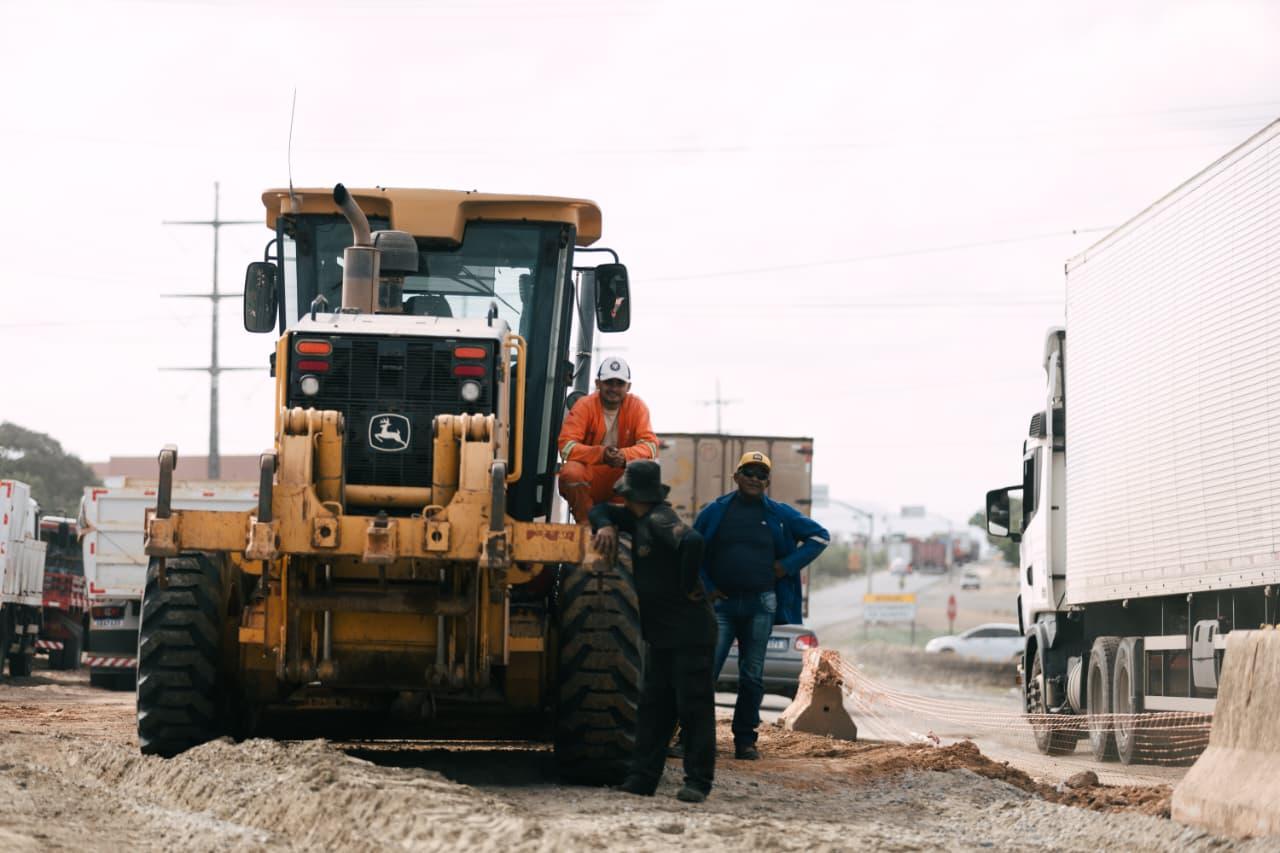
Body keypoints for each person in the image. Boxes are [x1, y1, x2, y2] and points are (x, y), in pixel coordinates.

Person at [589, 460, 716, 803]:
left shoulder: (660, 520)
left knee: (693, 708)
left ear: (632, 493)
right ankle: (643, 778)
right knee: (654, 707)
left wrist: (688, 585)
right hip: (663, 634)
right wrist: (605, 527)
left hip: (690, 632)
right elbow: (600, 510)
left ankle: (698, 783)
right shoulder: (637, 518)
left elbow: (693, 542)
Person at [694, 451, 830, 760]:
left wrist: (787, 565)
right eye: (749, 472)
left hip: (761, 606)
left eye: (761, 474)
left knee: (752, 676)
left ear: (767, 481)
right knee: (706, 673)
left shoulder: (780, 514)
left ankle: (745, 741)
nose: (755, 479)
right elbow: (693, 551)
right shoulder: (715, 512)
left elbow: (820, 537)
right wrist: (709, 588)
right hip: (722, 607)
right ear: (736, 476)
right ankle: (695, 738)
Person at [557, 357, 659, 523]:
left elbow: (650, 446)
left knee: (648, 472)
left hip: (622, 480)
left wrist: (625, 456)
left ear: (628, 386)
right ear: (598, 384)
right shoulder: (584, 406)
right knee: (572, 472)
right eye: (608, 382)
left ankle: (630, 527)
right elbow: (566, 446)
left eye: (619, 384)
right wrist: (601, 454)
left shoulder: (637, 407)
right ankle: (587, 526)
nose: (614, 388)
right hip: (590, 478)